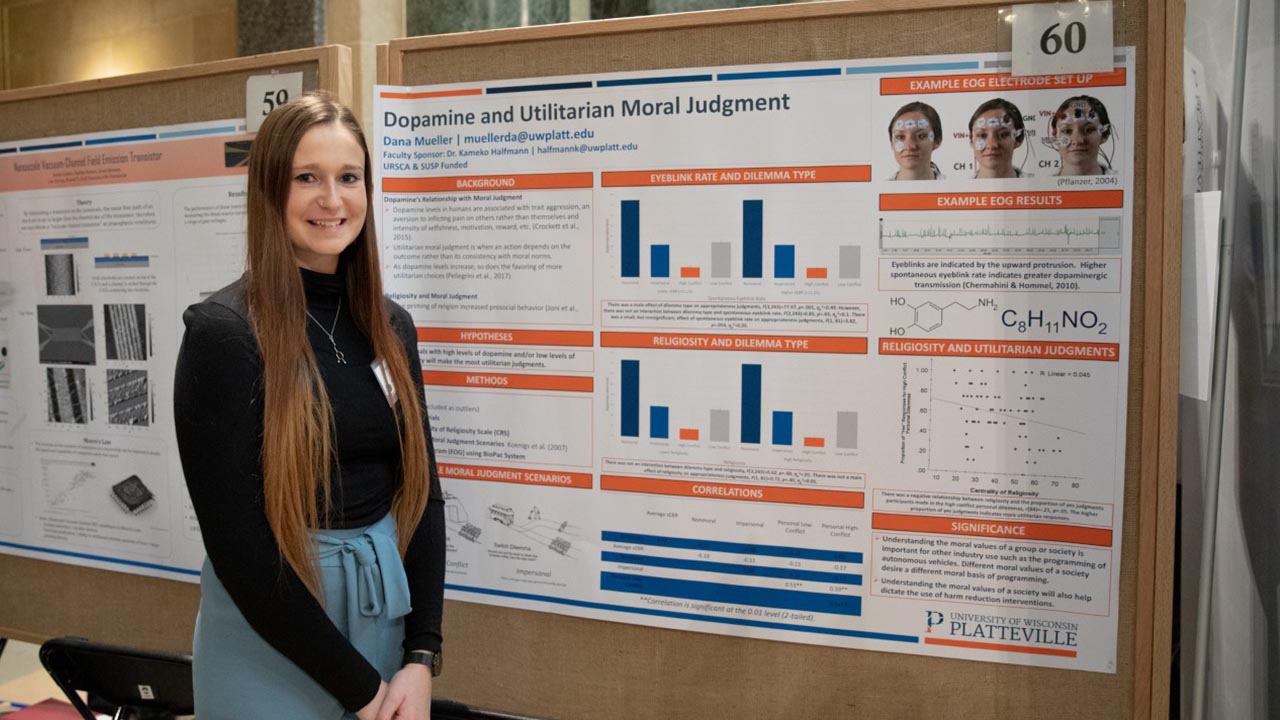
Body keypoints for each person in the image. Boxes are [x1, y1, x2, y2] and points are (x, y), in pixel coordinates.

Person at [174, 92, 444, 720]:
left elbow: (424, 493)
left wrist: (420, 657)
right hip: (270, 632)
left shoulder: (390, 326)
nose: (333, 200)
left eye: (349, 177)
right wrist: (366, 693)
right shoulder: (226, 334)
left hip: (382, 619)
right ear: (270, 191)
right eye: (306, 178)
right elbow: (241, 550)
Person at [1049, 95, 1112, 176]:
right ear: (1055, 137)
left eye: (1088, 130)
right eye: (1067, 131)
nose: (1078, 140)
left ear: (1104, 135)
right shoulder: (1039, 185)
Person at [968, 98, 1030, 179]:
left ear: (1019, 138)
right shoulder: (957, 188)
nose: (992, 145)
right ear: (971, 139)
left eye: (1003, 135)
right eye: (982, 135)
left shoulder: (1040, 186)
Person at [887, 101, 945, 180]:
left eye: (921, 136)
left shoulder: (956, 189)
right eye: (900, 137)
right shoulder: (875, 190)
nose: (910, 146)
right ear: (891, 143)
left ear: (937, 141)